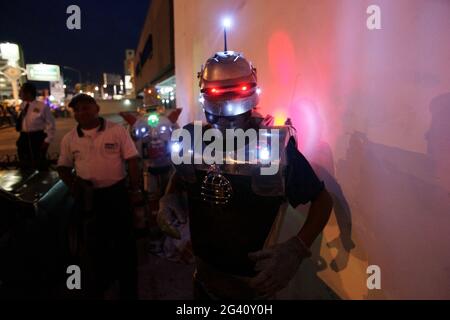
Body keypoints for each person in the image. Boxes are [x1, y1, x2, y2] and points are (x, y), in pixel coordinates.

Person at [158, 50, 333, 300]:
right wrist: (169, 197)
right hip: (203, 276)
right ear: (206, 93)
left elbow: (322, 200)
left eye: (236, 92)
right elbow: (181, 176)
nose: (227, 105)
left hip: (255, 287)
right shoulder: (191, 138)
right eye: (218, 93)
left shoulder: (275, 146)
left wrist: (296, 249)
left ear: (250, 91)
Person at [57, 94, 142, 299]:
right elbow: (63, 167)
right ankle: (102, 283)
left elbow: (131, 160)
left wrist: (135, 189)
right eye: (76, 110)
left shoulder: (116, 130)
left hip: (117, 195)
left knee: (125, 245)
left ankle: (128, 291)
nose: (81, 112)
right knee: (96, 246)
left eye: (86, 107)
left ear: (96, 108)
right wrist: (74, 185)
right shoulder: (69, 139)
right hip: (90, 200)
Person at [16, 82, 55, 170]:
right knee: (24, 161)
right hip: (24, 136)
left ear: (28, 93)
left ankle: (41, 180)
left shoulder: (42, 106)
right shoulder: (23, 105)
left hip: (37, 136)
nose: (19, 94)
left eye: (21, 92)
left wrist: (47, 140)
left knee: (39, 161)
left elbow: (51, 124)